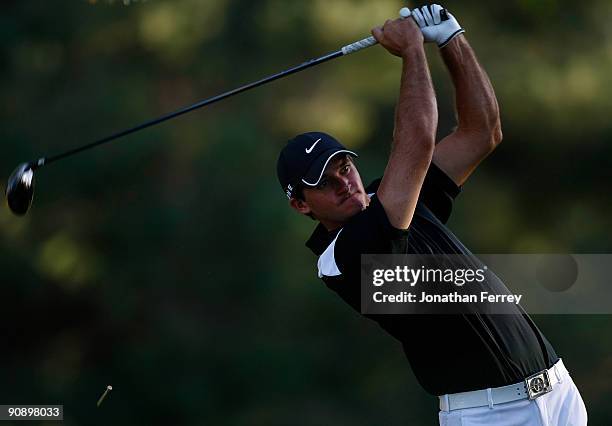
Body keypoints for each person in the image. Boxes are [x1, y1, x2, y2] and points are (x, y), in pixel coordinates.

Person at [276, 4, 588, 425]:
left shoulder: (388, 196)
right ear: (301, 205)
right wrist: (411, 52)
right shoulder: (344, 257)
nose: (344, 182)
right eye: (324, 182)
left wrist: (450, 39)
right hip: (488, 415)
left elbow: (482, 132)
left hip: (560, 394)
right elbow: (418, 141)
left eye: (344, 166)